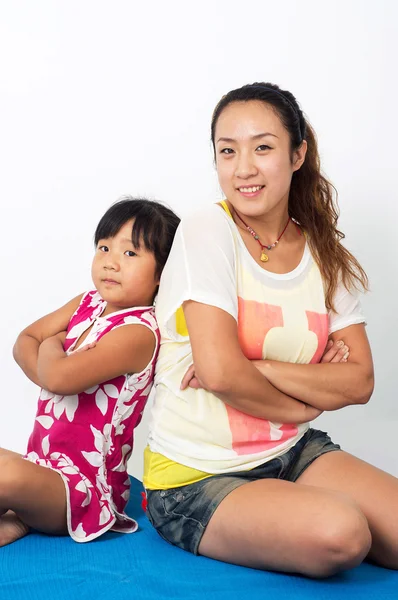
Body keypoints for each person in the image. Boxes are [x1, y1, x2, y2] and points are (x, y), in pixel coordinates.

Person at [143, 82, 398, 578]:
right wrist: (309, 399)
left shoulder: (320, 250)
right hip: (195, 478)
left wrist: (256, 367)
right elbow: (218, 375)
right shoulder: (206, 230)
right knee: (343, 533)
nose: (243, 169)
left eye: (263, 147)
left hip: (293, 451)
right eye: (227, 151)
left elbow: (361, 380)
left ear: (297, 153)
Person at [0, 197, 180, 546]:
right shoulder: (87, 303)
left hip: (83, 489)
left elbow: (53, 369)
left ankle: (22, 515)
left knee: (5, 474)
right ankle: (20, 519)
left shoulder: (138, 332)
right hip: (43, 465)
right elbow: (24, 342)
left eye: (130, 254)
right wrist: (56, 369)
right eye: (104, 247)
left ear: (162, 273)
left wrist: (53, 346)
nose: (111, 262)